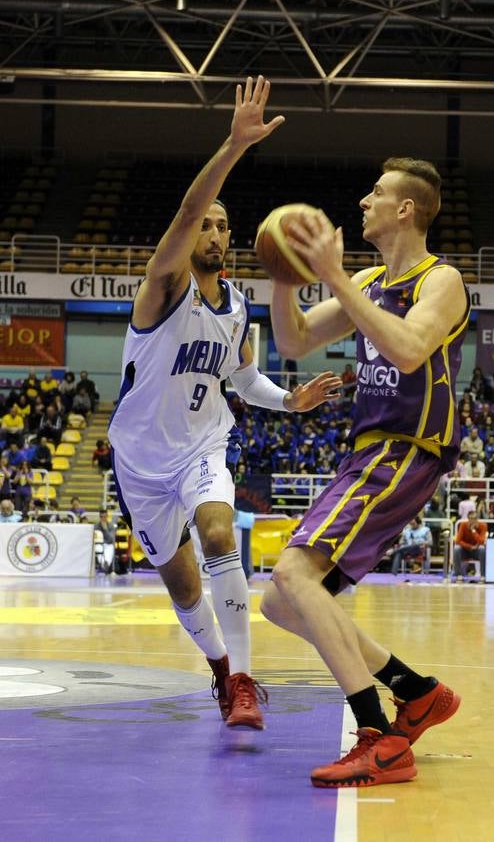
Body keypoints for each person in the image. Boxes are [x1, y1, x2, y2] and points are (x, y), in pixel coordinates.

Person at [107, 76, 340, 734]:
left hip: (203, 448)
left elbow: (243, 381)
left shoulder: (237, 307)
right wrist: (235, 146)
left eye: (222, 226)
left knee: (218, 535)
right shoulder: (161, 289)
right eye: (205, 223)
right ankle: (217, 668)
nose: (212, 230)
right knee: (182, 588)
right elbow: (184, 214)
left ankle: (241, 680)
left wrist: (289, 401)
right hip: (138, 461)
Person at [260, 155, 468, 787]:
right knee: (280, 601)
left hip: (406, 446)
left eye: (376, 194)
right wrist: (287, 275)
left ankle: (378, 736)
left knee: (294, 572)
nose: (363, 203)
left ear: (406, 209)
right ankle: (416, 690)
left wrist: (334, 276)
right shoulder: (372, 280)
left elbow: (407, 349)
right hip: (368, 451)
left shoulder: (443, 279)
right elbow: (293, 342)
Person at [453, 512, 487, 579]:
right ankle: (458, 575)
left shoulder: (483, 526)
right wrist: (470, 547)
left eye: (475, 518)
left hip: (476, 551)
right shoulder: (463, 525)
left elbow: (481, 541)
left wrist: (473, 531)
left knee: (482, 549)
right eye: (471, 518)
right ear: (468, 519)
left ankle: (483, 575)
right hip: (465, 550)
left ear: (477, 519)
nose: (473, 520)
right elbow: (458, 541)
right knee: (456, 548)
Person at [94, 507, 117, 573]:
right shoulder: (96, 526)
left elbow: (111, 539)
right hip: (99, 544)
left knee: (110, 549)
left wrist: (105, 529)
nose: (103, 518)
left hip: (108, 544)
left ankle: (106, 564)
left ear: (107, 516)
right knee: (98, 548)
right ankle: (104, 565)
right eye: (101, 517)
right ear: (99, 517)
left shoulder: (111, 526)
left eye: (104, 516)